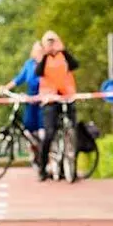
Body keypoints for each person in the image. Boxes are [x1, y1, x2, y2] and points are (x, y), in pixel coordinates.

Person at [34, 32, 79, 181]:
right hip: (50, 99)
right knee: (50, 133)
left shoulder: (64, 56)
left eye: (54, 41)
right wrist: (46, 54)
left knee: (73, 130)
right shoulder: (44, 59)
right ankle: (42, 169)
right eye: (49, 42)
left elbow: (75, 65)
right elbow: (38, 72)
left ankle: (72, 169)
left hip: (67, 96)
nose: (52, 45)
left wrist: (63, 50)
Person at [3, 42, 45, 138]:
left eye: (39, 51)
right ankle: (34, 149)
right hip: (30, 99)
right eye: (35, 50)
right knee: (28, 126)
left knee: (42, 127)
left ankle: (46, 149)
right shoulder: (29, 64)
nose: (37, 53)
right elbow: (19, 79)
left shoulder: (46, 64)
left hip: (43, 99)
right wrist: (5, 88)